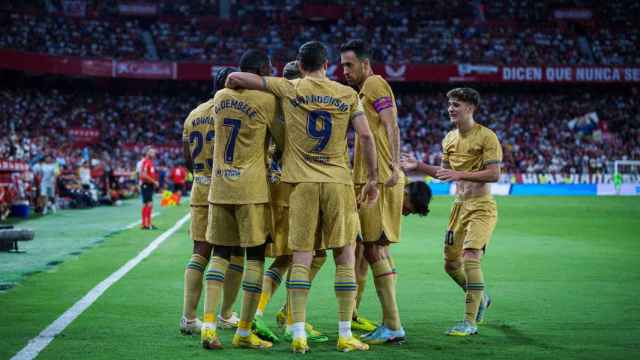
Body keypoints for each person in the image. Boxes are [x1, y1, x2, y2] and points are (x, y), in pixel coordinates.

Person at [226, 40, 379, 353]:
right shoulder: (347, 94)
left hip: (302, 185)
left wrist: (233, 80)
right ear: (327, 64)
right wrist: (373, 179)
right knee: (345, 257)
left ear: (301, 62)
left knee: (301, 258)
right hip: (338, 182)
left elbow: (238, 79)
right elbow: (365, 135)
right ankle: (345, 333)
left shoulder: (289, 87)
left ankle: (297, 333)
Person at [400, 87, 502, 336]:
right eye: (450, 104)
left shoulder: (487, 137)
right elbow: (444, 173)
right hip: (459, 207)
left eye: (456, 104)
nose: (450, 109)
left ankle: (470, 322)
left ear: (470, 107)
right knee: (450, 264)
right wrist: (418, 165)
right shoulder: (449, 138)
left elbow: (494, 173)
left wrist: (460, 174)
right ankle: (481, 296)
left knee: (470, 257)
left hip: (481, 207)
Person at [201, 50, 280, 350]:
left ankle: (208, 327)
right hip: (251, 189)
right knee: (256, 258)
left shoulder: (220, 97)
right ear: (261, 70)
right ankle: (244, 332)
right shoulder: (267, 100)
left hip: (220, 186)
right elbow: (281, 142)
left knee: (219, 254)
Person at [253, 61, 328, 344]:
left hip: (274, 184)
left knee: (286, 257)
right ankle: (289, 317)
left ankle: (266, 313)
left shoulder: (270, 104)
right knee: (312, 254)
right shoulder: (304, 105)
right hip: (298, 186)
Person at [340, 39, 405, 344]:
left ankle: (393, 325)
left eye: (349, 65)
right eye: (342, 65)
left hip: (377, 179)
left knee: (374, 248)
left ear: (365, 64)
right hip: (370, 177)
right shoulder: (363, 92)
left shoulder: (376, 83)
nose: (344, 71)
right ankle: (387, 321)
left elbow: (392, 124)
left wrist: (392, 166)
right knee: (375, 249)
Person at [180, 67, 245, 335]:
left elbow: (187, 159)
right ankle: (226, 314)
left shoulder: (193, 115)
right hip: (227, 188)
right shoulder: (233, 111)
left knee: (200, 251)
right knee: (234, 252)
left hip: (200, 187)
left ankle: (188, 317)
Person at [139, 146, 158, 230]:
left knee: (148, 204)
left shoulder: (150, 162)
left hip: (149, 185)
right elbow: (143, 174)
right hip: (146, 184)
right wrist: (154, 181)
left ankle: (147, 223)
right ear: (147, 153)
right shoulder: (146, 162)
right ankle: (145, 224)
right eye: (152, 152)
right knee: (148, 204)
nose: (154, 153)